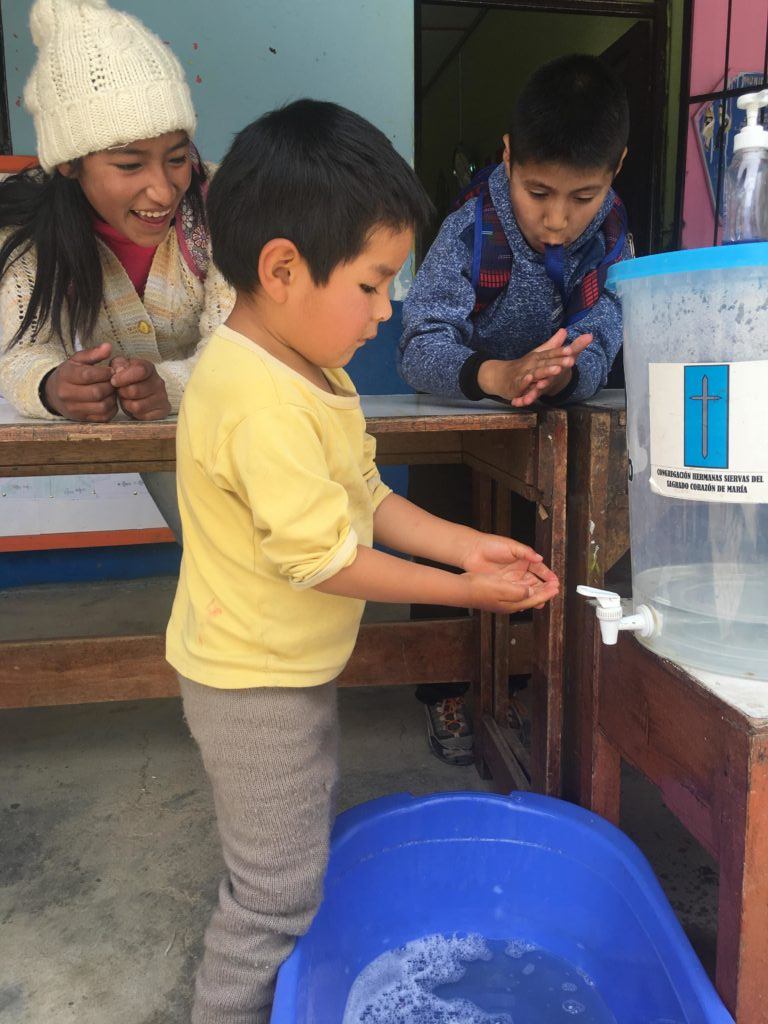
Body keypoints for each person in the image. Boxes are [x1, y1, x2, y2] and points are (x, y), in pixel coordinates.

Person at [165, 98, 560, 1024]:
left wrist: (471, 543)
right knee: (271, 901)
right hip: (248, 682)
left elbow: (368, 500)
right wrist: (468, 592)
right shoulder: (258, 400)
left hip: (283, 668)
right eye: (375, 284)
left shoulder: (314, 372)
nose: (388, 312)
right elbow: (329, 560)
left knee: (290, 860)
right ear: (282, 269)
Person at [398, 54, 633, 762]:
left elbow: (608, 328)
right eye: (538, 193)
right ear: (508, 157)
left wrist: (568, 376)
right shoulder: (468, 230)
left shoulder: (615, 236)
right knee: (447, 563)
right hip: (461, 428)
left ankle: (520, 683)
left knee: (536, 565)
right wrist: (496, 373)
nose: (558, 220)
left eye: (582, 196)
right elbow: (419, 347)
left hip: (545, 436)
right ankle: (444, 691)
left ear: (615, 171)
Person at [0, 0, 233, 538]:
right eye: (130, 164)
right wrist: (53, 387)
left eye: (177, 157)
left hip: (234, 425)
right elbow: (24, 351)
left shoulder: (223, 203)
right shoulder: (27, 228)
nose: (163, 188)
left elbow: (240, 343)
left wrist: (169, 387)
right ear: (70, 162)